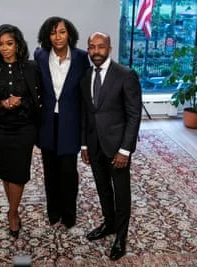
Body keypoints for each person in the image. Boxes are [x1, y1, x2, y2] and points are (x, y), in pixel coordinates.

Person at [0, 24, 41, 238]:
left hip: (24, 128)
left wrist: (20, 102)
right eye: (1, 44)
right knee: (5, 171)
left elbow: (39, 98)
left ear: (18, 44)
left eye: (9, 44)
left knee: (19, 173)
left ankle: (12, 213)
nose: (4, 48)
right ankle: (13, 211)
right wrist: (1, 104)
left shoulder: (31, 67)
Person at [80, 32, 142, 261]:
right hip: (95, 145)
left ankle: (121, 236)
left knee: (121, 192)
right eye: (91, 47)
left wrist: (125, 150)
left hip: (117, 148)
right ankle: (109, 224)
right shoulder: (86, 76)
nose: (96, 52)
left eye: (101, 47)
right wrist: (84, 144)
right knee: (102, 187)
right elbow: (86, 113)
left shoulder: (126, 75)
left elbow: (134, 115)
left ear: (110, 48)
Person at [34, 16, 90, 229]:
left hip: (70, 122)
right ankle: (53, 211)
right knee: (50, 170)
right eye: (53, 32)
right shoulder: (40, 56)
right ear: (47, 36)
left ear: (70, 34)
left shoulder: (82, 58)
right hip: (48, 122)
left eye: (62, 32)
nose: (57, 37)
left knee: (68, 170)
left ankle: (69, 213)